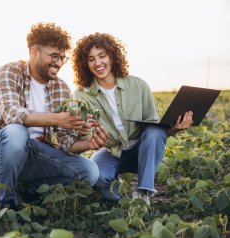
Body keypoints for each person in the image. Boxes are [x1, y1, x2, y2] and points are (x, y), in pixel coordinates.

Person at [0, 23, 109, 210]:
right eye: (54, 56)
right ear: (34, 52)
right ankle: (6, 202)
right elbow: (11, 113)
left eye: (62, 58)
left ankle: (26, 190)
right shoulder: (10, 71)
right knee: (17, 132)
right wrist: (59, 119)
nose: (59, 62)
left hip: (37, 154)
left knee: (89, 171)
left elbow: (65, 142)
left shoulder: (61, 87)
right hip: (0, 154)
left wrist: (88, 143)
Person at [72, 32, 193, 204]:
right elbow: (83, 135)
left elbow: (155, 131)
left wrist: (173, 129)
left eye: (102, 56)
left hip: (140, 151)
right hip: (110, 151)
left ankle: (143, 193)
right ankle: (117, 198)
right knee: (97, 176)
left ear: (112, 56)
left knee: (154, 131)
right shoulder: (82, 95)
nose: (98, 63)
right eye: (91, 59)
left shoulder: (138, 85)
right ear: (85, 63)